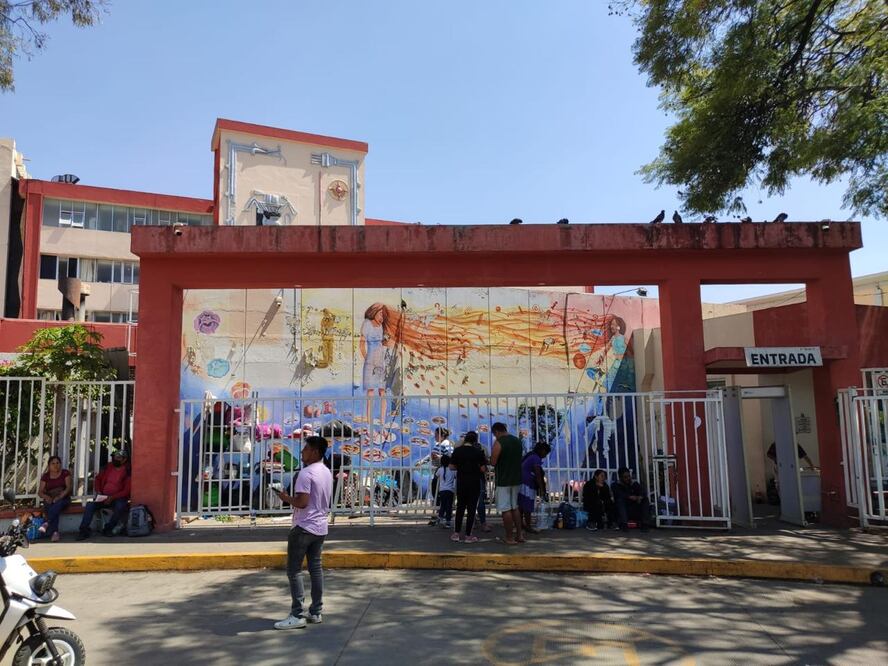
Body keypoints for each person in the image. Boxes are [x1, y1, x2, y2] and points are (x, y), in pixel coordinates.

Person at [274, 435, 334, 630]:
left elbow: (302, 502)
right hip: (320, 526)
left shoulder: (306, 473)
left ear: (315, 452)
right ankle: (316, 611)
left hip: (303, 527)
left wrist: (284, 497)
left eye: (306, 449)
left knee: (294, 570)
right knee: (315, 568)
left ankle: (297, 614)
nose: (302, 452)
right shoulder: (325, 471)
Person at [77, 449, 131, 540]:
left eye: (118, 458)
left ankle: (109, 528)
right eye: (114, 457)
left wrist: (112, 497)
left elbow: (126, 491)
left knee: (120, 506)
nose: (115, 459)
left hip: (117, 498)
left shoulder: (127, 471)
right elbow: (98, 479)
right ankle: (83, 530)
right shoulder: (108, 467)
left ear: (124, 460)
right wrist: (99, 491)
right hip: (103, 496)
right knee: (90, 505)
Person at [449, 432, 487, 543]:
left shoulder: (457, 451)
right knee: (471, 509)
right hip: (474, 482)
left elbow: (451, 467)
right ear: (475, 441)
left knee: (460, 507)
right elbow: (483, 469)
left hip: (461, 482)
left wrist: (461, 467)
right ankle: (468, 536)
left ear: (465, 440)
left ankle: (456, 534)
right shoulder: (478, 452)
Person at [490, 422, 524, 545]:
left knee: (506, 510)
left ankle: (509, 537)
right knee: (515, 507)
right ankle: (520, 535)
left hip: (503, 480)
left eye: (495, 434)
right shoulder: (517, 441)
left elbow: (493, 462)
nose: (495, 437)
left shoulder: (499, 442)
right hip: (516, 479)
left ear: (497, 432)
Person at [37, 455, 72, 542]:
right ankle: (55, 533)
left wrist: (59, 497)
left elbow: (68, 488)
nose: (56, 465)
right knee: (51, 505)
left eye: (57, 463)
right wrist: (46, 497)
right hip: (50, 498)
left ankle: (46, 523)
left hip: (63, 498)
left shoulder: (65, 473)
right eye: (53, 463)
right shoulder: (45, 476)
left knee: (58, 503)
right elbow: (40, 492)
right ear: (49, 466)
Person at [518, 442, 550, 534]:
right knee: (528, 506)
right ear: (542, 451)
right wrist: (542, 489)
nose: (545, 455)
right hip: (527, 483)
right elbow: (538, 474)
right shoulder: (536, 458)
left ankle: (520, 524)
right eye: (546, 453)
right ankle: (528, 526)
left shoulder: (530, 455)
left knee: (521, 505)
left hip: (521, 481)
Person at [427, 427, 454, 525]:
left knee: (438, 492)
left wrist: (439, 457)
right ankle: (439, 512)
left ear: (442, 435)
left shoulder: (446, 443)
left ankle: (441, 513)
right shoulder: (438, 444)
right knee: (435, 491)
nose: (434, 436)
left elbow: (450, 456)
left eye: (436, 435)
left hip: (442, 470)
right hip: (438, 469)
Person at [612, 466, 650, 532]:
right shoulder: (615, 485)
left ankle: (645, 524)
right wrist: (629, 497)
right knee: (620, 501)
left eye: (629, 476)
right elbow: (619, 494)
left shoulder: (634, 484)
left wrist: (640, 497)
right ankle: (624, 525)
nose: (628, 478)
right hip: (623, 511)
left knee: (645, 500)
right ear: (620, 477)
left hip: (634, 509)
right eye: (625, 477)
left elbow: (643, 491)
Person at [434, 454, 456, 529]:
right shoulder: (452, 470)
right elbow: (456, 476)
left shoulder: (440, 469)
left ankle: (440, 518)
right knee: (449, 506)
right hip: (450, 490)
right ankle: (448, 521)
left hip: (442, 490)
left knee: (443, 505)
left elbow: (436, 476)